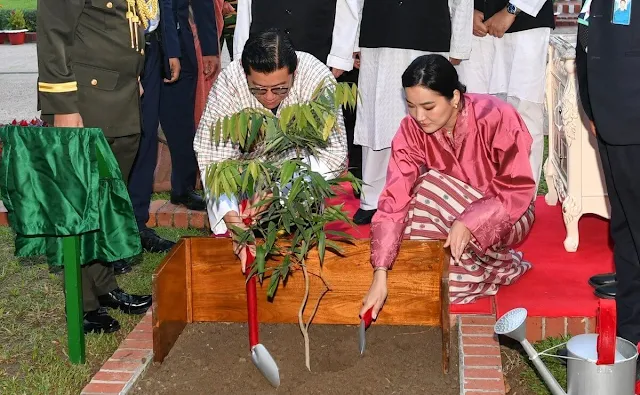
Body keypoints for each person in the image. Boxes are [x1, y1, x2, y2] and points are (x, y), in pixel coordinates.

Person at [359, 55, 536, 318]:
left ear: (454, 97)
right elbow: (394, 200)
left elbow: (516, 187)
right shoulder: (410, 129)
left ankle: (493, 263)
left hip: (510, 214)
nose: (419, 117)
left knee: (429, 186)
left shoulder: (496, 115)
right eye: (411, 106)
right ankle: (486, 268)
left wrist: (469, 220)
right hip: (449, 213)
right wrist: (381, 271)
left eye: (428, 107)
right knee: (414, 203)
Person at [36, 0, 153, 333]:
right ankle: (85, 305)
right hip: (85, 104)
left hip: (121, 95)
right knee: (83, 207)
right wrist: (62, 106)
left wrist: (134, 74)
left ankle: (104, 287)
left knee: (107, 205)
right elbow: (53, 34)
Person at [193, 29, 348, 270]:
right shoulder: (229, 82)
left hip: (300, 183)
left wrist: (280, 189)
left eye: (279, 89)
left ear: (294, 73)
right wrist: (234, 222)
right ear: (246, 75)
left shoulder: (317, 78)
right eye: (258, 89)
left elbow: (333, 155)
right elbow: (212, 157)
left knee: (296, 261)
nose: (269, 98)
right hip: (244, 184)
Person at [352, 0, 473, 225]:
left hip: (429, 31)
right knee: (376, 120)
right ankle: (373, 199)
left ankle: (430, 198)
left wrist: (459, 46)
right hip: (379, 32)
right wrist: (350, 42)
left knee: (430, 117)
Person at [577, 0, 640, 345]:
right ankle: (631, 334)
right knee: (626, 232)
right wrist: (590, 107)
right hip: (607, 119)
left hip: (633, 118)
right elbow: (586, 44)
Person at [454, 0, 555, 189]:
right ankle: (478, 198)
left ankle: (522, 201)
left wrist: (512, 10)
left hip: (526, 22)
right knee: (474, 114)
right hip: (476, 26)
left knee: (524, 114)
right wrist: (465, 11)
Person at [126, 0, 184, 255]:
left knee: (146, 138)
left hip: (151, 46)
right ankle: (114, 230)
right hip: (116, 51)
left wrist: (171, 48)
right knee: (118, 141)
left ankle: (138, 226)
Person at [232, 0, 360, 79]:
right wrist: (240, 55)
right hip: (263, 54)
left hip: (316, 50)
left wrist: (340, 58)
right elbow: (245, 9)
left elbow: (346, 8)